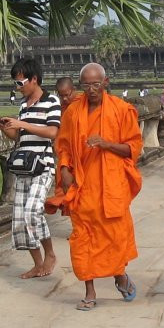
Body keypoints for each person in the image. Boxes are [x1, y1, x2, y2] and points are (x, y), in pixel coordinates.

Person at [48, 63, 142, 311]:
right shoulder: (72, 112)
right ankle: (89, 291)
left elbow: (133, 148)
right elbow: (64, 146)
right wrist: (65, 168)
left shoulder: (122, 110)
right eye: (86, 85)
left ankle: (119, 275)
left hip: (111, 185)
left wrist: (106, 144)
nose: (91, 89)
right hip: (83, 185)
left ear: (106, 82)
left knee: (113, 237)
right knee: (83, 238)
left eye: (96, 84)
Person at [0, 58, 60, 279]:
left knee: (33, 210)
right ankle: (38, 263)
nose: (18, 87)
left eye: (20, 83)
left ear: (34, 79)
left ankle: (50, 253)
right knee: (20, 215)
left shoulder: (51, 101)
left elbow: (52, 132)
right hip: (24, 166)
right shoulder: (24, 106)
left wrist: (22, 124)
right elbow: (19, 138)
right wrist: (6, 127)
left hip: (43, 165)